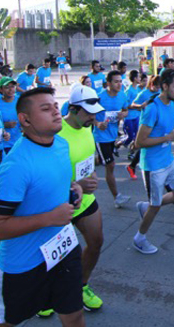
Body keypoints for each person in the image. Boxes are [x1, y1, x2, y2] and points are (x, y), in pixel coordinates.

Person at [0, 87, 85, 327]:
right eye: (46, 109)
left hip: (63, 249)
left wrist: (75, 188)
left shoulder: (61, 144)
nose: (57, 112)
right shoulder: (15, 166)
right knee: (11, 322)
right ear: (24, 120)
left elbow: (58, 182)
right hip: (24, 264)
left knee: (75, 316)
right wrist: (49, 218)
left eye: (56, 106)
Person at [56, 84, 106, 313]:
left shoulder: (88, 126)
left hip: (84, 200)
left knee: (96, 244)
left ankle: (81, 286)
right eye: (88, 113)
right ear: (73, 109)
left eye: (95, 113)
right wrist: (74, 185)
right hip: (57, 203)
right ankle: (48, 293)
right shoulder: (56, 134)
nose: (93, 117)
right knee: (56, 255)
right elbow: (45, 175)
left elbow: (86, 158)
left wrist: (91, 175)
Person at [133, 69, 174, 254]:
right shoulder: (152, 108)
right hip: (153, 166)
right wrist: (168, 137)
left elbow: (167, 130)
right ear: (165, 86)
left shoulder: (171, 104)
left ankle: (146, 206)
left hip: (168, 160)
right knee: (155, 207)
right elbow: (140, 142)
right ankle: (139, 239)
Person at [93, 70, 130, 208]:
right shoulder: (100, 97)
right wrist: (98, 124)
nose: (119, 84)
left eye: (120, 81)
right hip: (101, 137)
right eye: (116, 81)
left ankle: (89, 162)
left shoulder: (122, 95)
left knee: (103, 162)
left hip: (113, 136)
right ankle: (117, 197)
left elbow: (126, 109)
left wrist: (123, 114)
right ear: (108, 83)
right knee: (111, 165)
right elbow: (90, 115)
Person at [123, 70, 142, 179]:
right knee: (131, 136)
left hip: (137, 116)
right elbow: (125, 105)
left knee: (136, 137)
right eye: (138, 77)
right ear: (135, 78)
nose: (140, 78)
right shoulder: (129, 90)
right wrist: (135, 106)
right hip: (129, 117)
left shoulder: (138, 89)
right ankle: (119, 143)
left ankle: (131, 153)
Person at [0, 77, 22, 155]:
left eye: (12, 86)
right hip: (4, 145)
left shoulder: (21, 101)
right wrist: (4, 125)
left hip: (19, 142)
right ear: (1, 89)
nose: (10, 89)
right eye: (7, 87)